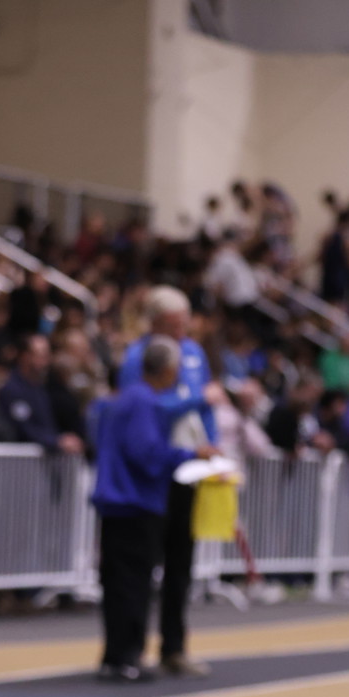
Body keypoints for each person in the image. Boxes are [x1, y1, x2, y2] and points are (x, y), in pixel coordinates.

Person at [118, 286, 216, 675]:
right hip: (156, 468)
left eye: (184, 323)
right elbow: (147, 406)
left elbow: (206, 410)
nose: (182, 331)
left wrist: (212, 445)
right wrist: (196, 400)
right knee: (145, 561)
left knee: (181, 560)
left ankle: (174, 646)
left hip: (190, 466)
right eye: (175, 324)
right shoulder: (137, 357)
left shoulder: (194, 353)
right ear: (156, 322)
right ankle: (133, 648)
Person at [93, 336, 199, 682]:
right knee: (132, 584)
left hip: (119, 501)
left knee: (119, 583)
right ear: (167, 369)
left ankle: (116, 656)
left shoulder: (127, 398)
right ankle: (127, 657)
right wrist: (190, 455)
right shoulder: (143, 401)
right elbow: (147, 454)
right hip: (134, 502)